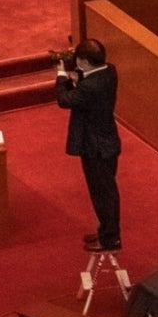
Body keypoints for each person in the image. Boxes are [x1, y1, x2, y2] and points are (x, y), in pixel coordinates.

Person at [53, 38, 122, 251]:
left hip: (96, 147)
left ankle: (111, 239)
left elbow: (64, 100)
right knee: (105, 190)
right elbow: (87, 78)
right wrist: (77, 74)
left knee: (103, 193)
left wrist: (61, 74)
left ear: (83, 61)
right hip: (106, 140)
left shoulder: (90, 87)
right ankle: (106, 231)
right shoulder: (109, 71)